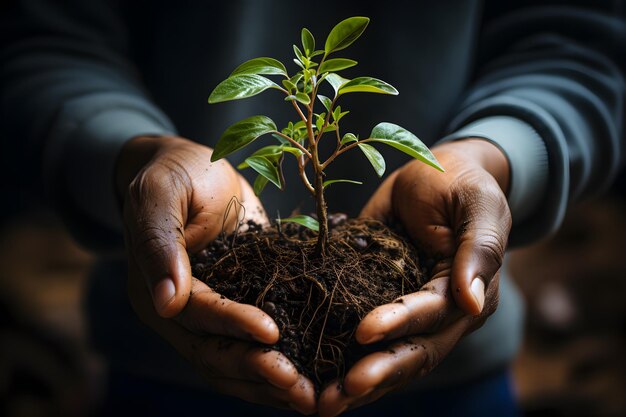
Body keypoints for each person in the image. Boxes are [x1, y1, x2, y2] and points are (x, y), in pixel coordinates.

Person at [1, 1, 624, 416]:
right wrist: (130, 156)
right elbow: (38, 38)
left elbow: (579, 43)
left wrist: (497, 156)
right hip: (166, 365)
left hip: (452, 380)